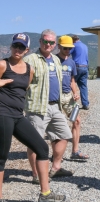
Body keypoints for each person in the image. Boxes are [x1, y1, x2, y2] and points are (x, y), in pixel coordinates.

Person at [0, 33, 65, 202]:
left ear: (27, 49)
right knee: (1, 159)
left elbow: (25, 89)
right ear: (11, 47)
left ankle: (45, 193)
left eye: (21, 47)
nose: (17, 50)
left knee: (42, 149)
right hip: (2, 114)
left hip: (18, 116)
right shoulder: (3, 64)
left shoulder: (30, 69)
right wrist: (1, 81)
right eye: (15, 46)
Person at [24, 29, 74, 182]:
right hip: (37, 107)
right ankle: (36, 174)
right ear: (40, 42)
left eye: (52, 42)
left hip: (55, 106)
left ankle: (56, 167)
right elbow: (23, 83)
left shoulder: (56, 60)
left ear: (55, 44)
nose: (49, 44)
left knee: (64, 135)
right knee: (35, 142)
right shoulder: (30, 59)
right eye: (46, 41)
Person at [57, 35, 89, 160]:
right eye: (65, 48)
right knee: (57, 126)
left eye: (70, 48)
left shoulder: (71, 62)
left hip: (68, 96)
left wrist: (75, 92)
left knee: (76, 121)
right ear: (59, 46)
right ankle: (57, 155)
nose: (67, 51)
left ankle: (75, 151)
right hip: (56, 97)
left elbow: (72, 80)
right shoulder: (53, 60)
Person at [70, 35, 89, 110]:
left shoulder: (74, 45)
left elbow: (67, 53)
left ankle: (70, 103)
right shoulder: (85, 46)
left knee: (71, 83)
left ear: (73, 40)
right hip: (85, 66)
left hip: (77, 66)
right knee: (83, 86)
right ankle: (85, 104)